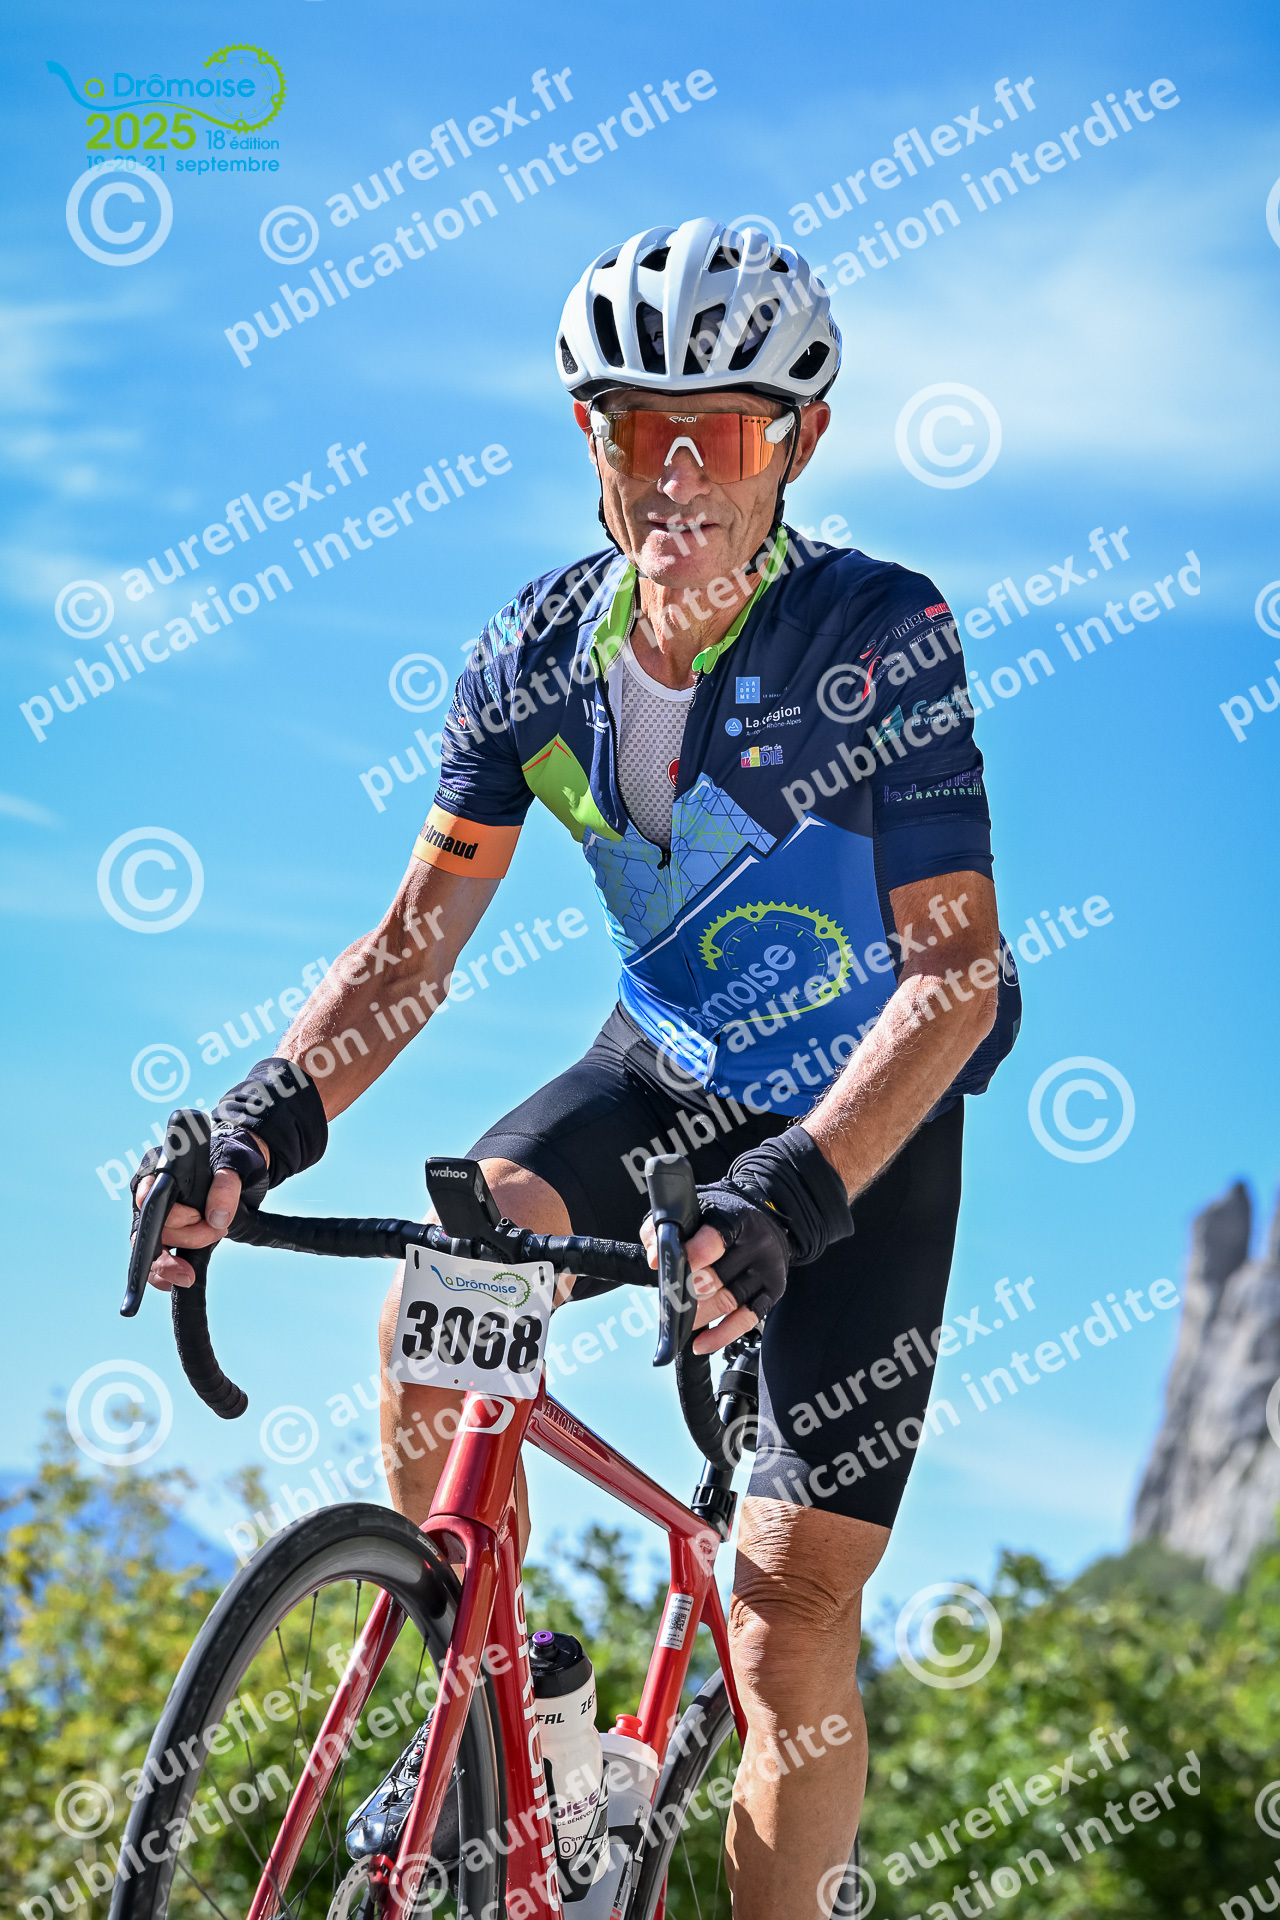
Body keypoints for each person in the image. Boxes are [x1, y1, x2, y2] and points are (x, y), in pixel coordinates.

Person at [133, 217, 1020, 1919]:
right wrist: (253, 1129)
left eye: (726, 431)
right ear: (588, 436)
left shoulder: (880, 633)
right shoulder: (531, 657)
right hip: (663, 1074)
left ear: (801, 443)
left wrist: (797, 1192)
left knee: (783, 1618)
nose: (679, 472)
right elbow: (410, 950)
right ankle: (518, 1727)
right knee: (437, 1307)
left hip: (862, 1115)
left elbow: (956, 976)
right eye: (638, 426)